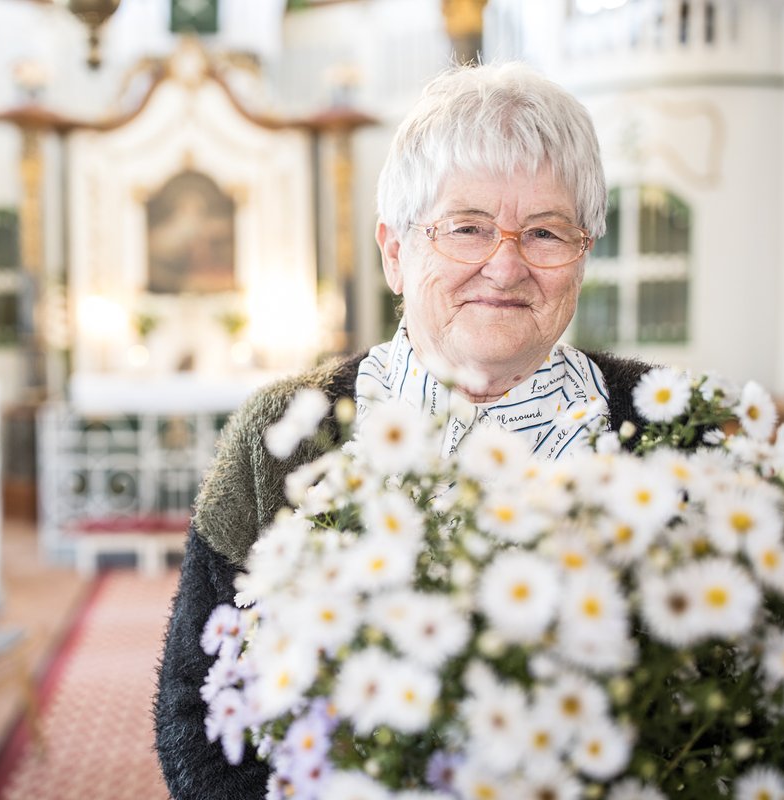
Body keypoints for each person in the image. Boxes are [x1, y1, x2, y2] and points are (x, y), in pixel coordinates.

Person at [154, 62, 655, 799]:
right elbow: (195, 713)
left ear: (583, 254)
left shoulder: (664, 426)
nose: (506, 264)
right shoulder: (283, 434)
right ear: (394, 252)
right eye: (467, 228)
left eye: (546, 231)